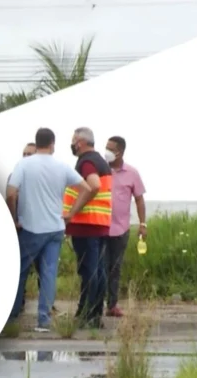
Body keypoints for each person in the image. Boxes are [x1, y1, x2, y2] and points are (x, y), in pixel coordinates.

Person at [6, 128, 91, 332]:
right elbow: (87, 189)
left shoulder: (24, 165)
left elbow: (11, 193)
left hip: (31, 227)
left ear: (37, 143)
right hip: (55, 228)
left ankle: (11, 316)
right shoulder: (61, 166)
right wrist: (70, 213)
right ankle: (43, 320)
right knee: (48, 273)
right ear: (53, 143)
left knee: (20, 271)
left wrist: (14, 217)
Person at [65, 127, 113, 329]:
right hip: (99, 223)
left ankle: (89, 314)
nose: (73, 144)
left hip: (86, 223)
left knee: (89, 271)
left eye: (74, 140)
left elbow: (93, 186)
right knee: (97, 270)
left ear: (81, 142)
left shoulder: (87, 162)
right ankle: (92, 313)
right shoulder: (101, 161)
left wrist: (72, 212)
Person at [104, 136, 147, 317]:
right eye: (105, 147)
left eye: (110, 148)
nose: (106, 152)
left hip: (121, 229)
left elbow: (139, 199)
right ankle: (95, 304)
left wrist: (143, 224)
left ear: (119, 152)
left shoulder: (132, 173)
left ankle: (112, 305)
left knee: (115, 268)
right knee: (99, 267)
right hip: (101, 227)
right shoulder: (101, 170)